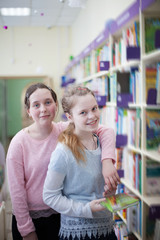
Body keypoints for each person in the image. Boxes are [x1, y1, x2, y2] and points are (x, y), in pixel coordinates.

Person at [6, 83, 119, 240]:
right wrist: (27, 231)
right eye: (36, 105)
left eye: (48, 102)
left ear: (56, 105)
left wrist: (107, 161)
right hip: (31, 219)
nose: (43, 109)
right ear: (28, 112)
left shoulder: (65, 129)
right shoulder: (19, 143)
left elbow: (105, 130)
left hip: (60, 214)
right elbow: (16, 192)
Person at [43, 86, 118, 240]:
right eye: (83, 112)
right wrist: (85, 209)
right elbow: (49, 196)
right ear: (69, 116)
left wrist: (110, 190)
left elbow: (96, 188)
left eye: (94, 108)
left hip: (107, 228)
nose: (92, 116)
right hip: (77, 233)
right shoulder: (63, 152)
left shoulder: (103, 144)